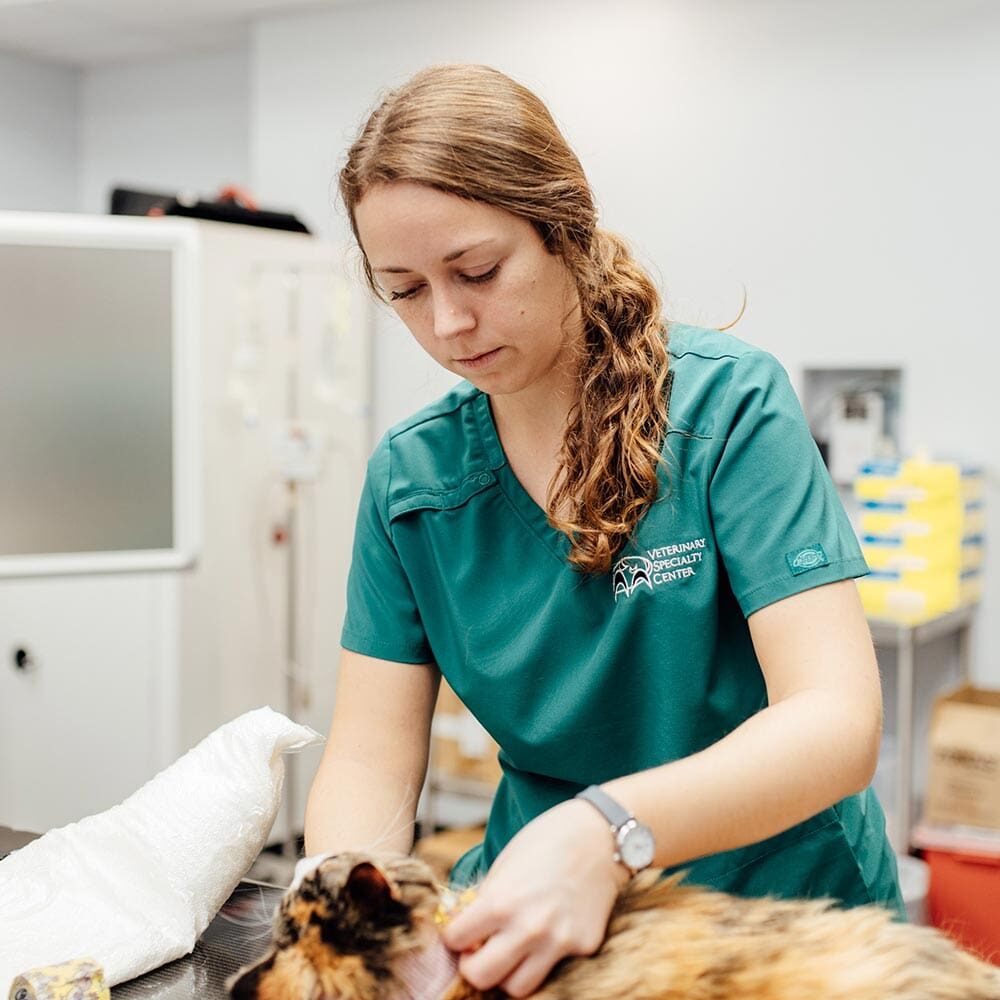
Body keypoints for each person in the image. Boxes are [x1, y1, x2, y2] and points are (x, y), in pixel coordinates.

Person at [303, 63, 904, 998]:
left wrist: (607, 831)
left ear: (566, 231)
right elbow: (369, 756)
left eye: (477, 271)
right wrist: (350, 915)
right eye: (406, 292)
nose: (450, 322)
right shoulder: (412, 481)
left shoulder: (726, 406)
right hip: (547, 930)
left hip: (775, 924)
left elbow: (835, 722)